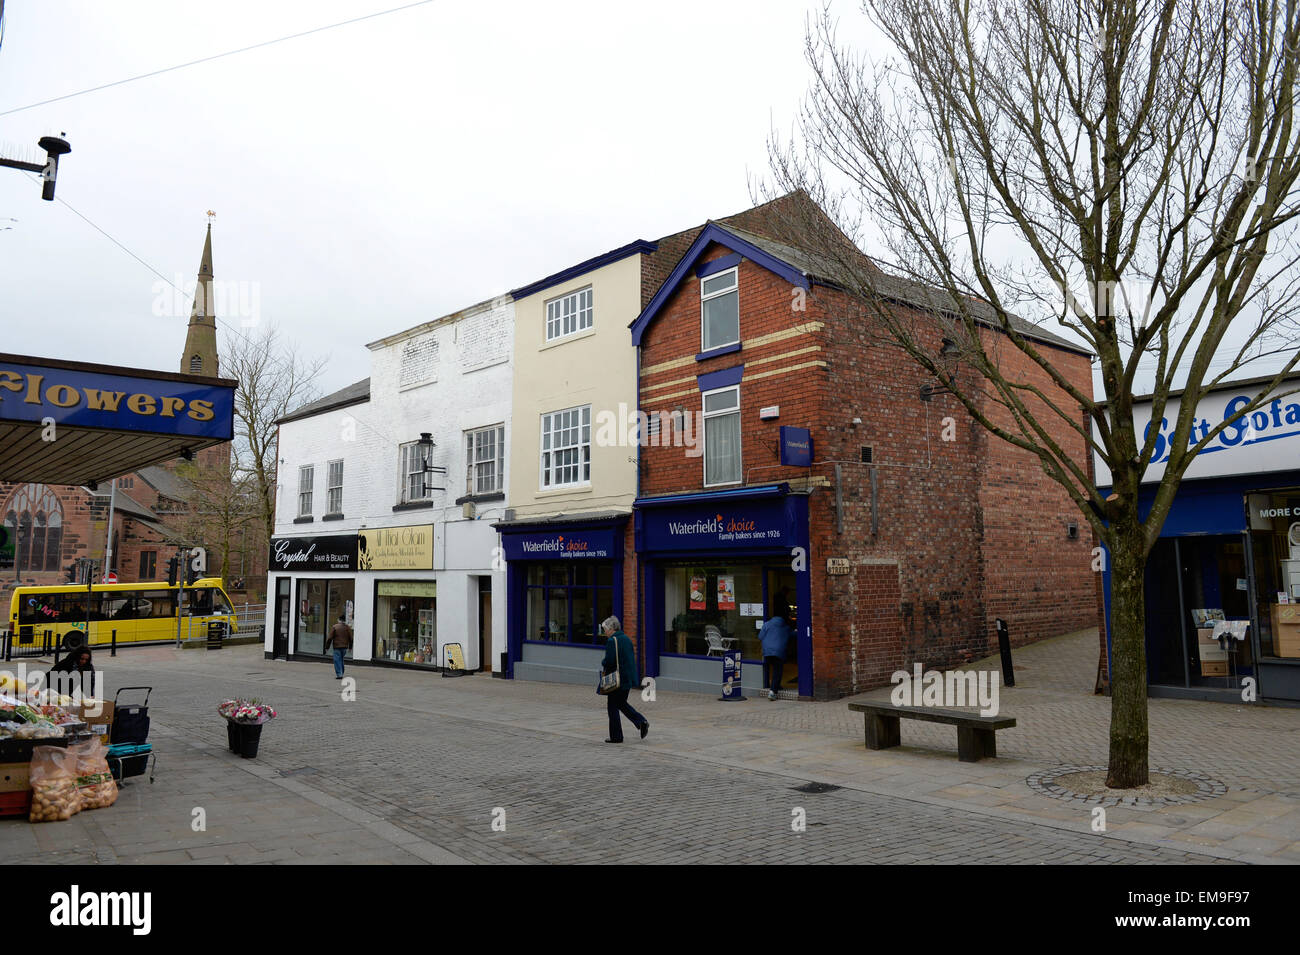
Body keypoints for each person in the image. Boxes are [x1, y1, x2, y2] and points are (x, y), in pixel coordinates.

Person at [599, 616, 648, 743]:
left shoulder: (612, 641)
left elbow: (609, 661)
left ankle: (616, 736)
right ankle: (641, 722)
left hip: (616, 679)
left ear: (611, 628)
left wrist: (603, 661)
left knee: (613, 707)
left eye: (605, 629)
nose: (605, 632)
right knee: (621, 703)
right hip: (627, 678)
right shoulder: (626, 639)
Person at [758, 605, 792, 700]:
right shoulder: (785, 627)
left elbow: (760, 637)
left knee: (773, 669)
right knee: (778, 671)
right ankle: (773, 691)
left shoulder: (766, 624)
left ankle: (775, 685)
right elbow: (794, 635)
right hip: (778, 652)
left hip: (767, 651)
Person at [326, 613, 353, 679]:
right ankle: (341, 672)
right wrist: (350, 647)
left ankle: (339, 674)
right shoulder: (347, 627)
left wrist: (327, 647)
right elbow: (351, 638)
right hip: (344, 647)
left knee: (337, 660)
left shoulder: (335, 627)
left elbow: (330, 638)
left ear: (339, 620)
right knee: (341, 659)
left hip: (337, 647)